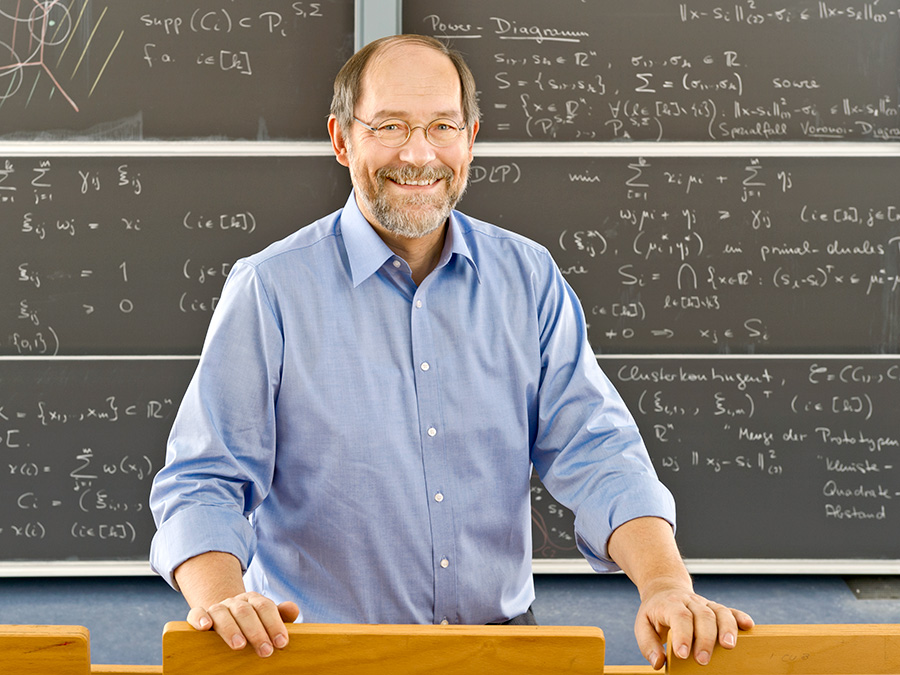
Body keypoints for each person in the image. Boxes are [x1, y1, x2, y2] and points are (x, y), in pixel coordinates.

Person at [149, 34, 753, 669]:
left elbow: (598, 451)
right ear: (341, 139)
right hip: (323, 654)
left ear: (470, 140)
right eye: (389, 126)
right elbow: (203, 481)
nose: (418, 153)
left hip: (501, 645)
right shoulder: (269, 289)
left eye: (442, 126)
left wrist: (665, 584)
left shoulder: (529, 277)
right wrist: (225, 600)